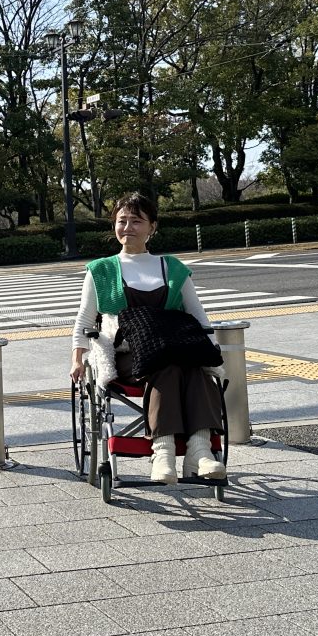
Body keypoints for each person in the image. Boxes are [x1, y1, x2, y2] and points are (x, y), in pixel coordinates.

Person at [69, 192, 225, 485]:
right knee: (166, 365)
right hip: (126, 354)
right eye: (121, 221)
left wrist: (213, 353)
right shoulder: (101, 270)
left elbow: (199, 317)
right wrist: (77, 359)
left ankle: (200, 450)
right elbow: (85, 320)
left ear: (153, 226)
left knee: (196, 367)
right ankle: (163, 450)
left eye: (136, 221)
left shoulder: (173, 268)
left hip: (177, 348)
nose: (127, 227)